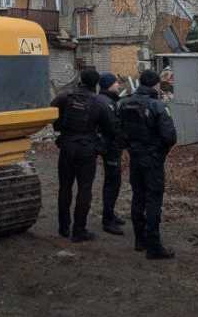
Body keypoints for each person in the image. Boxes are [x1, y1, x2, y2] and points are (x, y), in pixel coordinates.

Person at [51, 68, 116, 242]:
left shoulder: (65, 97)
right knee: (84, 189)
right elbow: (110, 129)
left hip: (67, 146)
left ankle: (64, 227)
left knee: (65, 187)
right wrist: (100, 146)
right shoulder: (99, 103)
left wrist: (61, 130)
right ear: (95, 84)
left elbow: (51, 114)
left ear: (80, 79)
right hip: (87, 149)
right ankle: (79, 231)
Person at [118, 69, 178, 259]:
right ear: (155, 85)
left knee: (138, 196)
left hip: (135, 158)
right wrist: (159, 151)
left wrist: (131, 148)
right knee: (153, 200)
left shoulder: (123, 103)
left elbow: (118, 132)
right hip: (152, 160)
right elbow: (170, 136)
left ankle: (139, 240)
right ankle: (153, 246)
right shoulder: (157, 106)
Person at [96, 72, 126, 235]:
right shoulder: (106, 103)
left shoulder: (107, 100)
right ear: (109, 84)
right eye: (116, 83)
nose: (118, 85)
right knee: (112, 183)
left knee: (114, 182)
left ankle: (110, 213)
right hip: (110, 148)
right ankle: (108, 220)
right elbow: (113, 127)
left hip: (111, 147)